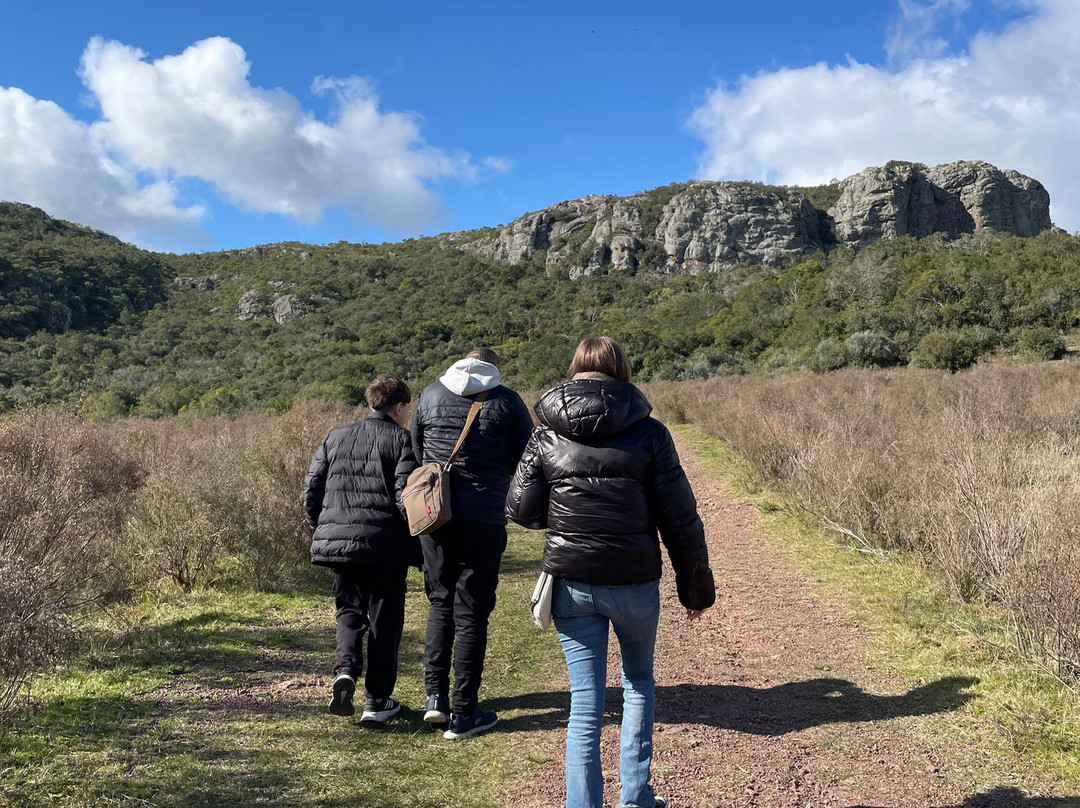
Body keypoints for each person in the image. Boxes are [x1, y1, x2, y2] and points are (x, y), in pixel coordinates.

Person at [506, 337, 715, 808]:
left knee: (585, 701)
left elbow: (520, 509)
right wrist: (695, 589)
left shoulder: (545, 433)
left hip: (571, 582)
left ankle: (582, 804)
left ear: (575, 369)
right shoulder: (651, 433)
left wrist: (564, 515)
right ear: (621, 371)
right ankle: (636, 797)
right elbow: (679, 517)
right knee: (638, 681)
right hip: (634, 581)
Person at [411, 347, 534, 739]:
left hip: (436, 516)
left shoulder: (430, 393)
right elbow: (527, 458)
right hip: (483, 517)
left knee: (439, 602)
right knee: (472, 613)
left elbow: (418, 451)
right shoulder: (509, 401)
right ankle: (464, 713)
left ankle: (435, 699)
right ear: (495, 369)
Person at [303, 376, 419, 722]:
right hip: (385, 547)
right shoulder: (403, 440)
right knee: (384, 621)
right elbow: (405, 498)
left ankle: (345, 671)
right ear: (398, 406)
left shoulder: (334, 436)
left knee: (349, 612)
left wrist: (323, 529)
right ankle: (377, 700)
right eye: (406, 408)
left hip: (341, 545)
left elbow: (312, 490)